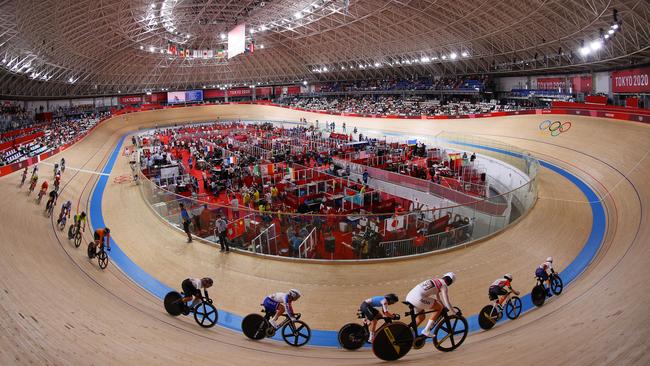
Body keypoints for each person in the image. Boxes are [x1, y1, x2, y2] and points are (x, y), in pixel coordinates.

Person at [405, 272, 456, 337]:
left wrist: (442, 305)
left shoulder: (436, 280)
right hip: (418, 299)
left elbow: (438, 298)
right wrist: (454, 312)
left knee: (421, 317)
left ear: (444, 276)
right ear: (450, 283)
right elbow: (447, 301)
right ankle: (426, 330)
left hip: (410, 297)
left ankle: (409, 332)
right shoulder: (444, 285)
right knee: (439, 307)